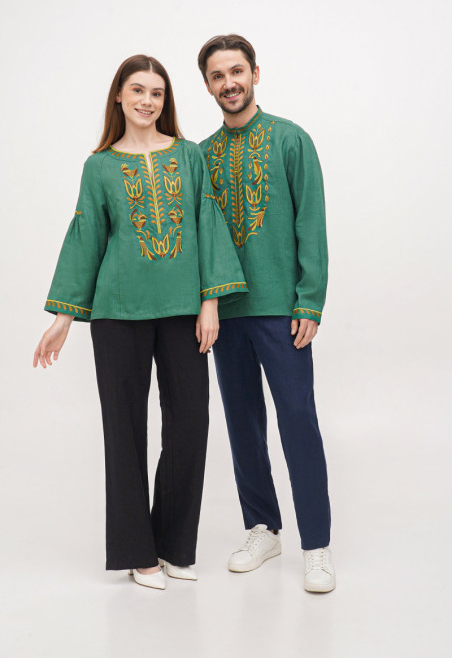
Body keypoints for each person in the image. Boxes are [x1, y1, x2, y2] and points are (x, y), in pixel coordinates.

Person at [33, 54, 247, 591]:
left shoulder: (189, 155)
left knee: (189, 425)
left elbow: (206, 222)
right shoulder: (100, 167)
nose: (147, 101)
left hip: (184, 313)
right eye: (137, 90)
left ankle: (174, 546)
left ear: (164, 100)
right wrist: (64, 317)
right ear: (119, 97)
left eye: (156, 92)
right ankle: (137, 553)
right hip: (118, 314)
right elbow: (86, 238)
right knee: (124, 432)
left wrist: (210, 302)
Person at [197, 35, 336, 592]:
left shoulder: (290, 139)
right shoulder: (201, 155)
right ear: (208, 85)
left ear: (255, 73)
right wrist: (202, 305)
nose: (229, 83)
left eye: (237, 71)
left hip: (282, 310)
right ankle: (262, 527)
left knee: (298, 419)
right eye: (217, 76)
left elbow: (311, 222)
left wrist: (310, 299)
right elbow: (200, 238)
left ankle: (317, 545)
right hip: (225, 313)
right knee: (243, 423)